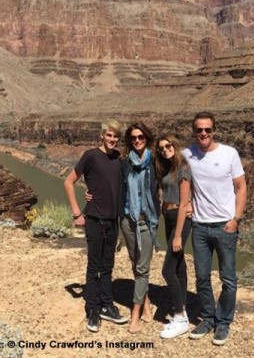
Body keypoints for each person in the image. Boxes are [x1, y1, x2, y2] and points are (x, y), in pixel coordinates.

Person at [182, 112, 247, 346]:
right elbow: (167, 173)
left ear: (214, 131)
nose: (203, 133)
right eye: (199, 130)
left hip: (225, 226)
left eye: (207, 129)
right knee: (201, 277)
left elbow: (241, 187)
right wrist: (187, 202)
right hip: (200, 226)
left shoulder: (229, 153)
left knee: (228, 278)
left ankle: (223, 322)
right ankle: (208, 318)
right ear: (194, 131)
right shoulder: (187, 155)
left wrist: (236, 218)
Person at [64, 119, 128, 333]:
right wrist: (77, 213)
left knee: (108, 266)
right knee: (94, 266)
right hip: (93, 219)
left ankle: (106, 305)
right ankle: (92, 309)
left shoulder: (119, 158)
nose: (112, 139)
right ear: (102, 135)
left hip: (113, 220)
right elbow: (68, 181)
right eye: (109, 135)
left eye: (116, 136)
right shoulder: (91, 155)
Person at [119, 122, 160, 334]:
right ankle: (145, 301)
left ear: (147, 138)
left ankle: (134, 314)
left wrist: (186, 203)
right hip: (127, 221)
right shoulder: (124, 163)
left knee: (142, 269)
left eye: (141, 137)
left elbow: (174, 180)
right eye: (133, 137)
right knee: (135, 264)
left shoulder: (156, 162)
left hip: (146, 221)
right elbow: (114, 187)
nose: (137, 140)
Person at [155, 134, 192, 339]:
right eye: (161, 148)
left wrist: (178, 235)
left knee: (168, 269)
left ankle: (180, 317)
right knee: (179, 265)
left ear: (175, 146)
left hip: (180, 219)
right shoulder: (167, 167)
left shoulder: (183, 168)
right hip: (168, 216)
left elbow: (185, 202)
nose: (165, 150)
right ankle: (183, 307)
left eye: (168, 146)